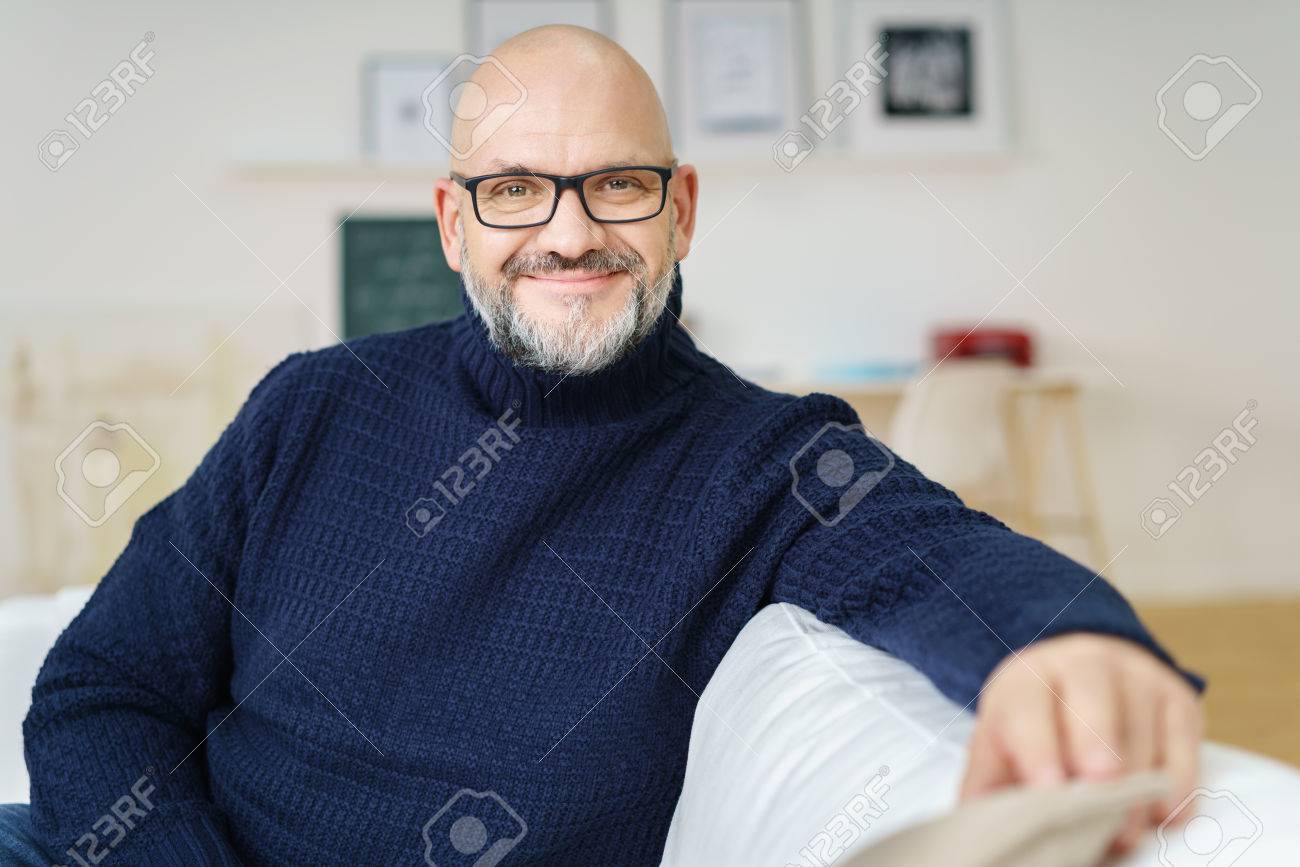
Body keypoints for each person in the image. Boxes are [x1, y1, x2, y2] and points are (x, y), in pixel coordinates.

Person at [14, 25, 1202, 867]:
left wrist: (1070, 645)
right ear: (453, 223)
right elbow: (101, 689)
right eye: (517, 188)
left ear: (680, 209)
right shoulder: (311, 409)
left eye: (617, 185)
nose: (569, 233)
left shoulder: (768, 461)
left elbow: (940, 556)